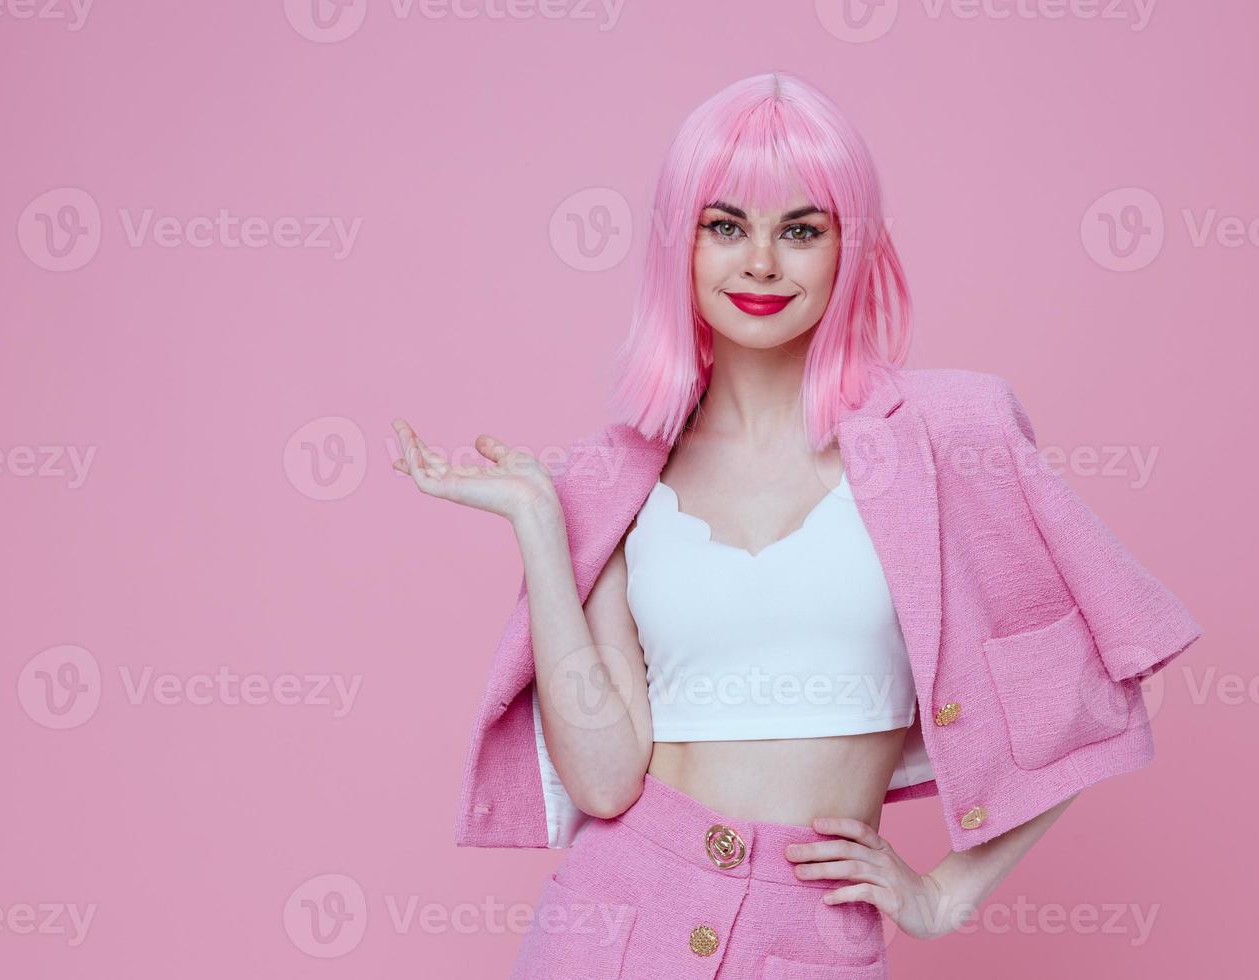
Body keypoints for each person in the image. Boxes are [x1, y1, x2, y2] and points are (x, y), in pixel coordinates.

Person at [392, 71, 1200, 978]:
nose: (762, 264)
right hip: (612, 923)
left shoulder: (951, 437)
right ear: (681, 247)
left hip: (809, 940)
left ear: (848, 248)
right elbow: (606, 779)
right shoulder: (616, 475)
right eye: (725, 226)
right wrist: (544, 530)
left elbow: (1087, 698)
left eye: (802, 230)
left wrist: (947, 892)